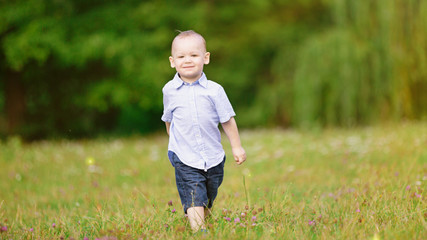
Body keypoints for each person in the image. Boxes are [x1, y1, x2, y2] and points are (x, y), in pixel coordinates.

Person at [161, 30, 247, 232]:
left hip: (213, 156)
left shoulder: (215, 90)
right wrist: (174, 143)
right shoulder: (169, 90)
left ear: (205, 58)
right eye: (181, 56)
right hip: (184, 155)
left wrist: (237, 147)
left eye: (193, 55)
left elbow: (227, 120)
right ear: (173, 61)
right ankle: (199, 231)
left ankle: (199, 217)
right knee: (193, 193)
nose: (187, 60)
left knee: (208, 195)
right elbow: (168, 120)